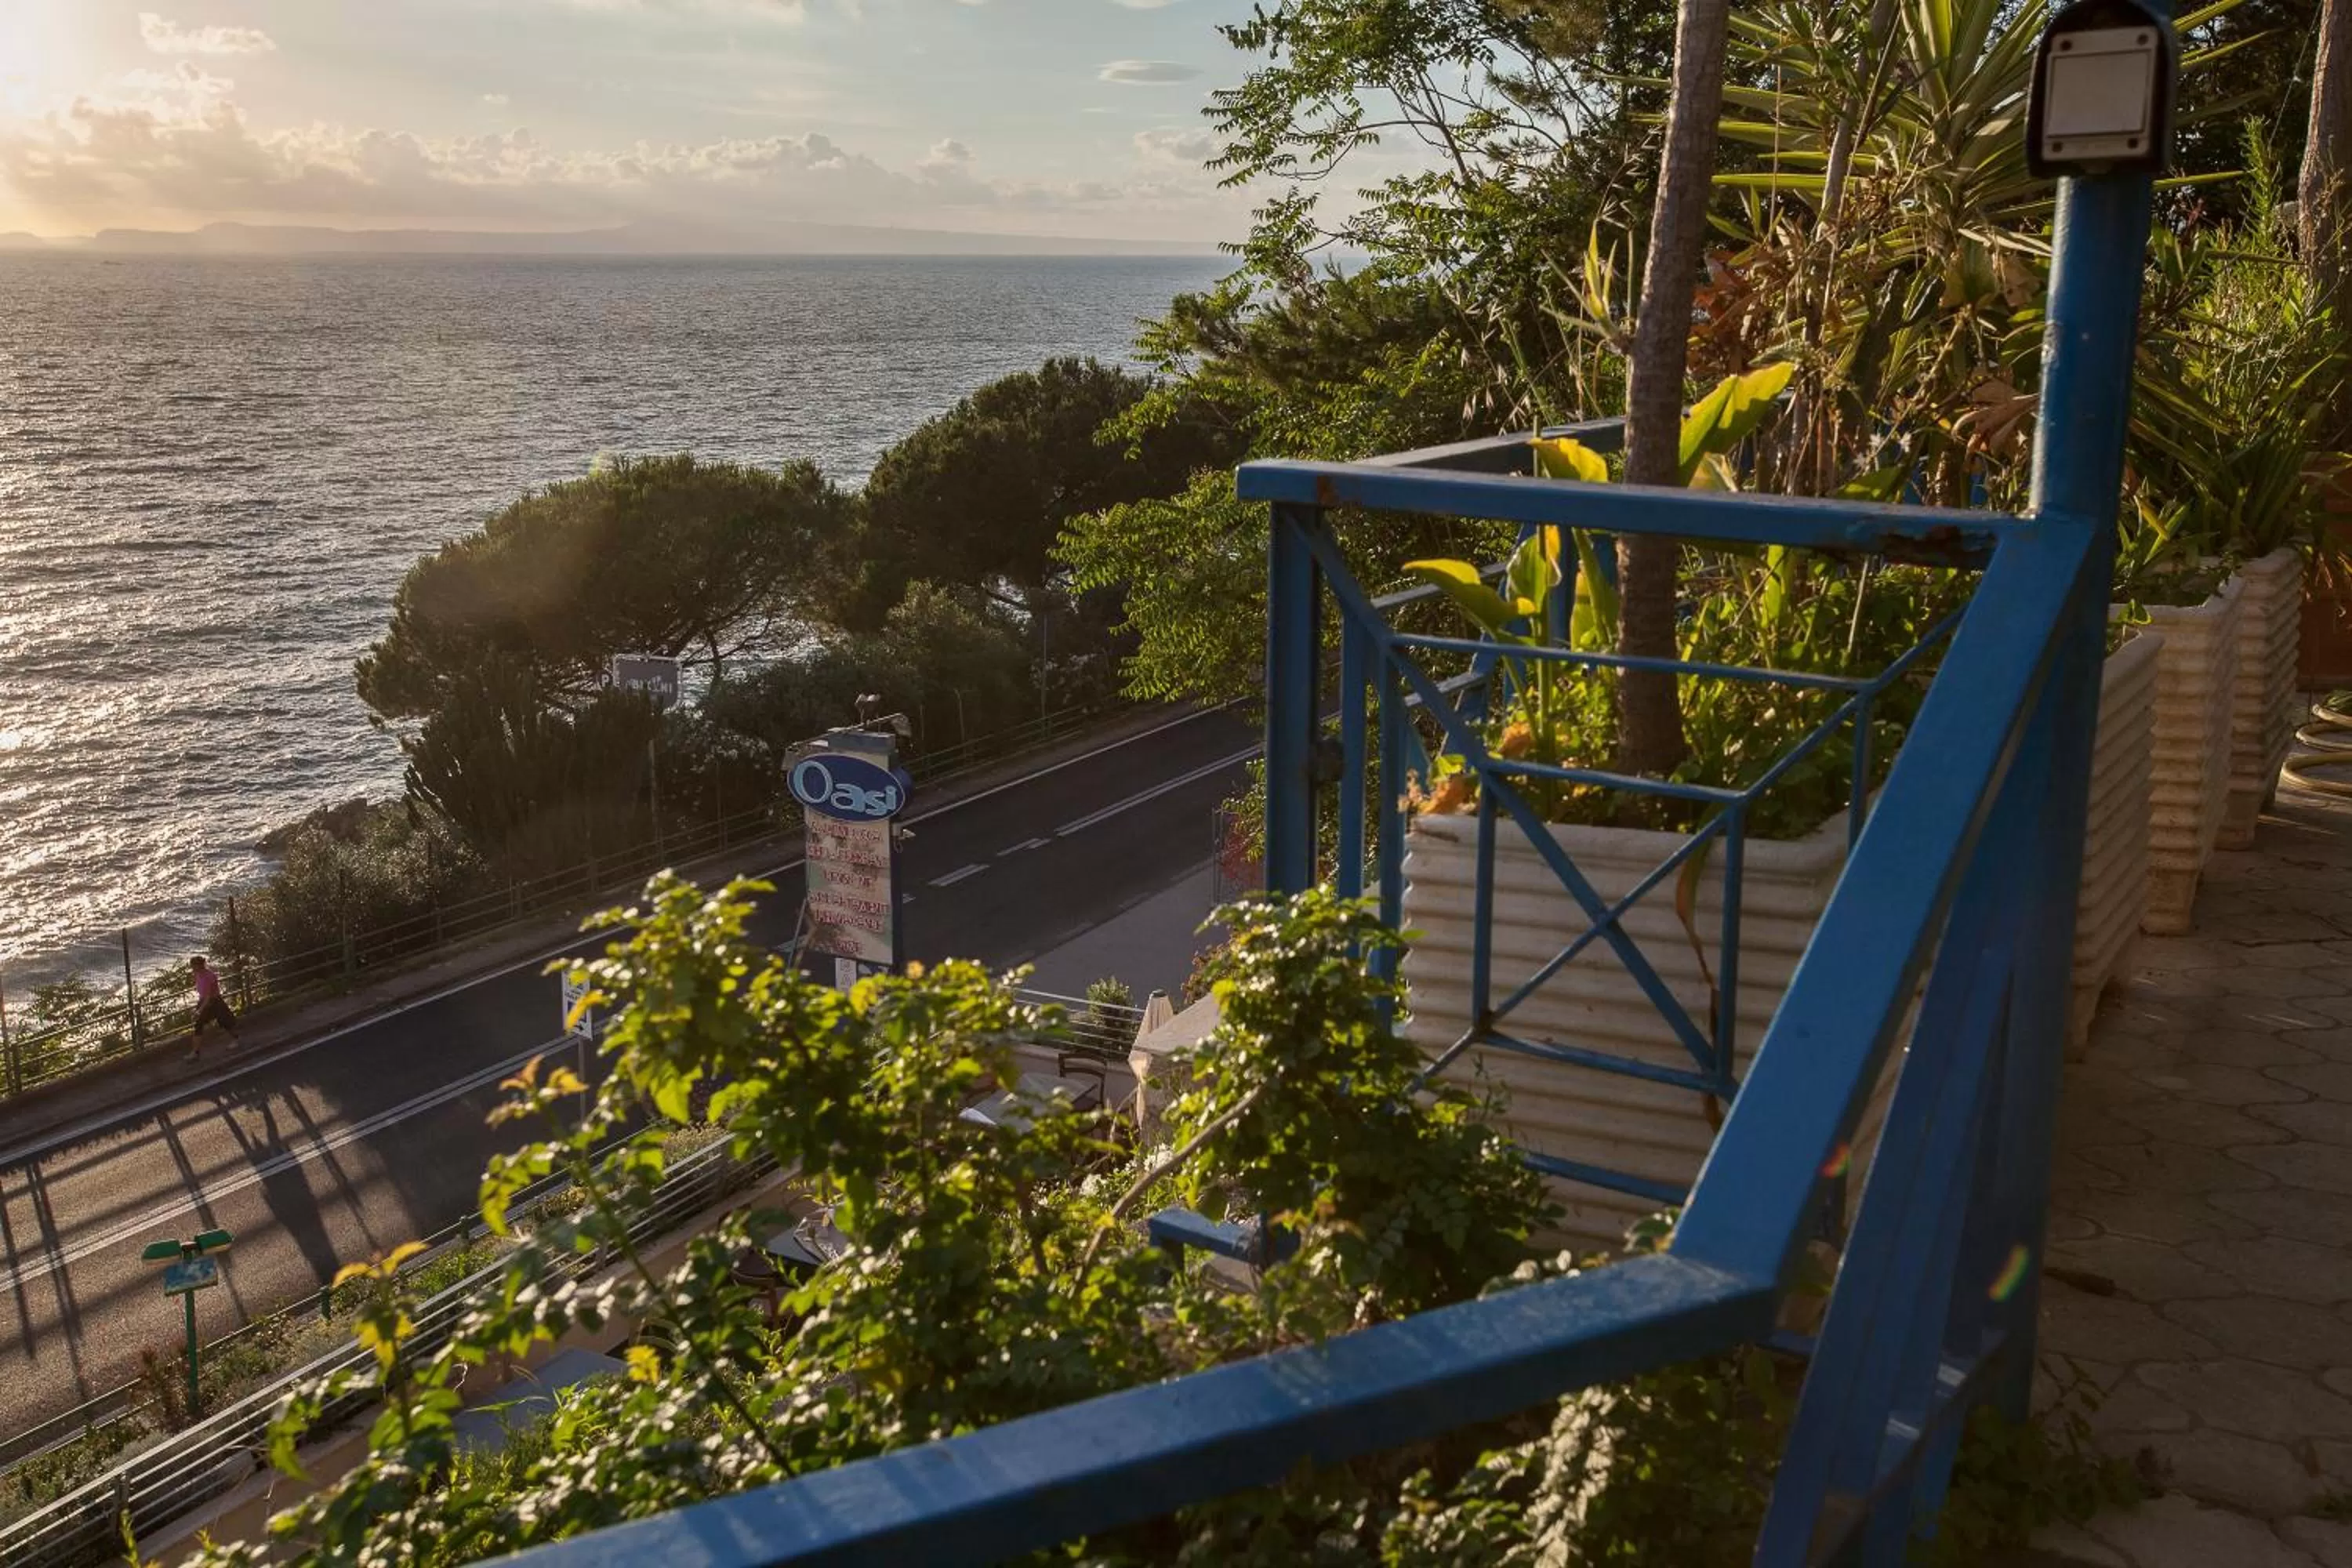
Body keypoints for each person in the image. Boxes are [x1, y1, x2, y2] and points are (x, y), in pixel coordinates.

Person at [188, 956, 239, 1058]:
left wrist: (199, 1011)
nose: (192, 968)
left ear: (198, 965)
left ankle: (236, 1040)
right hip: (205, 1001)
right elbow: (203, 994)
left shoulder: (208, 976)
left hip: (214, 1002)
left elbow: (208, 996)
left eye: (193, 965)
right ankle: (196, 1052)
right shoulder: (199, 974)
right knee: (199, 1025)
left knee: (225, 1022)